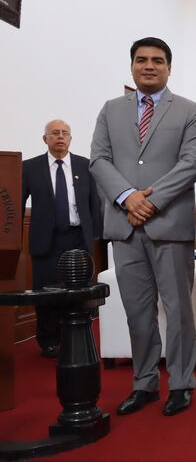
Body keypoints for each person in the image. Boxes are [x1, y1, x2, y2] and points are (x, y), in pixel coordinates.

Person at [90, 37, 196, 417]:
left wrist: (149, 201)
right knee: (137, 311)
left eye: (158, 60)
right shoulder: (110, 111)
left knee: (178, 311)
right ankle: (143, 383)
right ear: (132, 66)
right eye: (141, 60)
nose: (149, 66)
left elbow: (191, 164)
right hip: (124, 228)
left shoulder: (189, 111)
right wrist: (127, 196)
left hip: (169, 225)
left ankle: (181, 383)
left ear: (169, 68)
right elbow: (98, 160)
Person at [22, 120, 100, 358]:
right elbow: (16, 201)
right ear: (45, 139)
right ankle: (49, 340)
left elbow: (94, 203)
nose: (60, 137)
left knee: (78, 291)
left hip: (78, 238)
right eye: (54, 133)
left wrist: (96, 233)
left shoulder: (85, 166)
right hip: (47, 239)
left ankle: (76, 337)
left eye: (65, 133)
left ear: (70, 139)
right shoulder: (30, 167)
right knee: (45, 292)